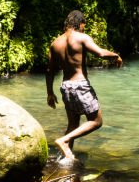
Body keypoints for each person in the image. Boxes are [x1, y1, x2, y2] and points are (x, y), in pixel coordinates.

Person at [46, 10, 123, 162]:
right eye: (84, 26)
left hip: (65, 86)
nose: (84, 29)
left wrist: (49, 93)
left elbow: (49, 70)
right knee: (96, 121)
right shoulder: (81, 37)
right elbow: (100, 53)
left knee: (73, 124)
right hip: (80, 85)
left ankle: (64, 159)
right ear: (80, 24)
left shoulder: (55, 43)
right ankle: (63, 140)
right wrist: (116, 55)